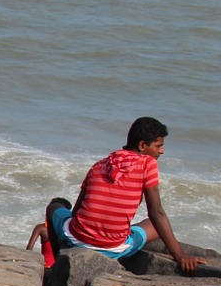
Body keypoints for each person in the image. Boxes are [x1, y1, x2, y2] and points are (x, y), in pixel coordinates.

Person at [49, 117, 204, 275]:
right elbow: (156, 212)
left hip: (76, 240)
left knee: (54, 207)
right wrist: (180, 255)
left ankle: (56, 263)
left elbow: (76, 213)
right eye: (159, 146)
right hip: (114, 249)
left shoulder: (100, 164)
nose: (162, 151)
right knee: (153, 224)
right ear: (142, 145)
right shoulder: (147, 164)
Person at [27, 197, 70, 270]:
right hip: (58, 268)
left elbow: (29, 249)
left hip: (45, 266)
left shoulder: (41, 228)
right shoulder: (66, 230)